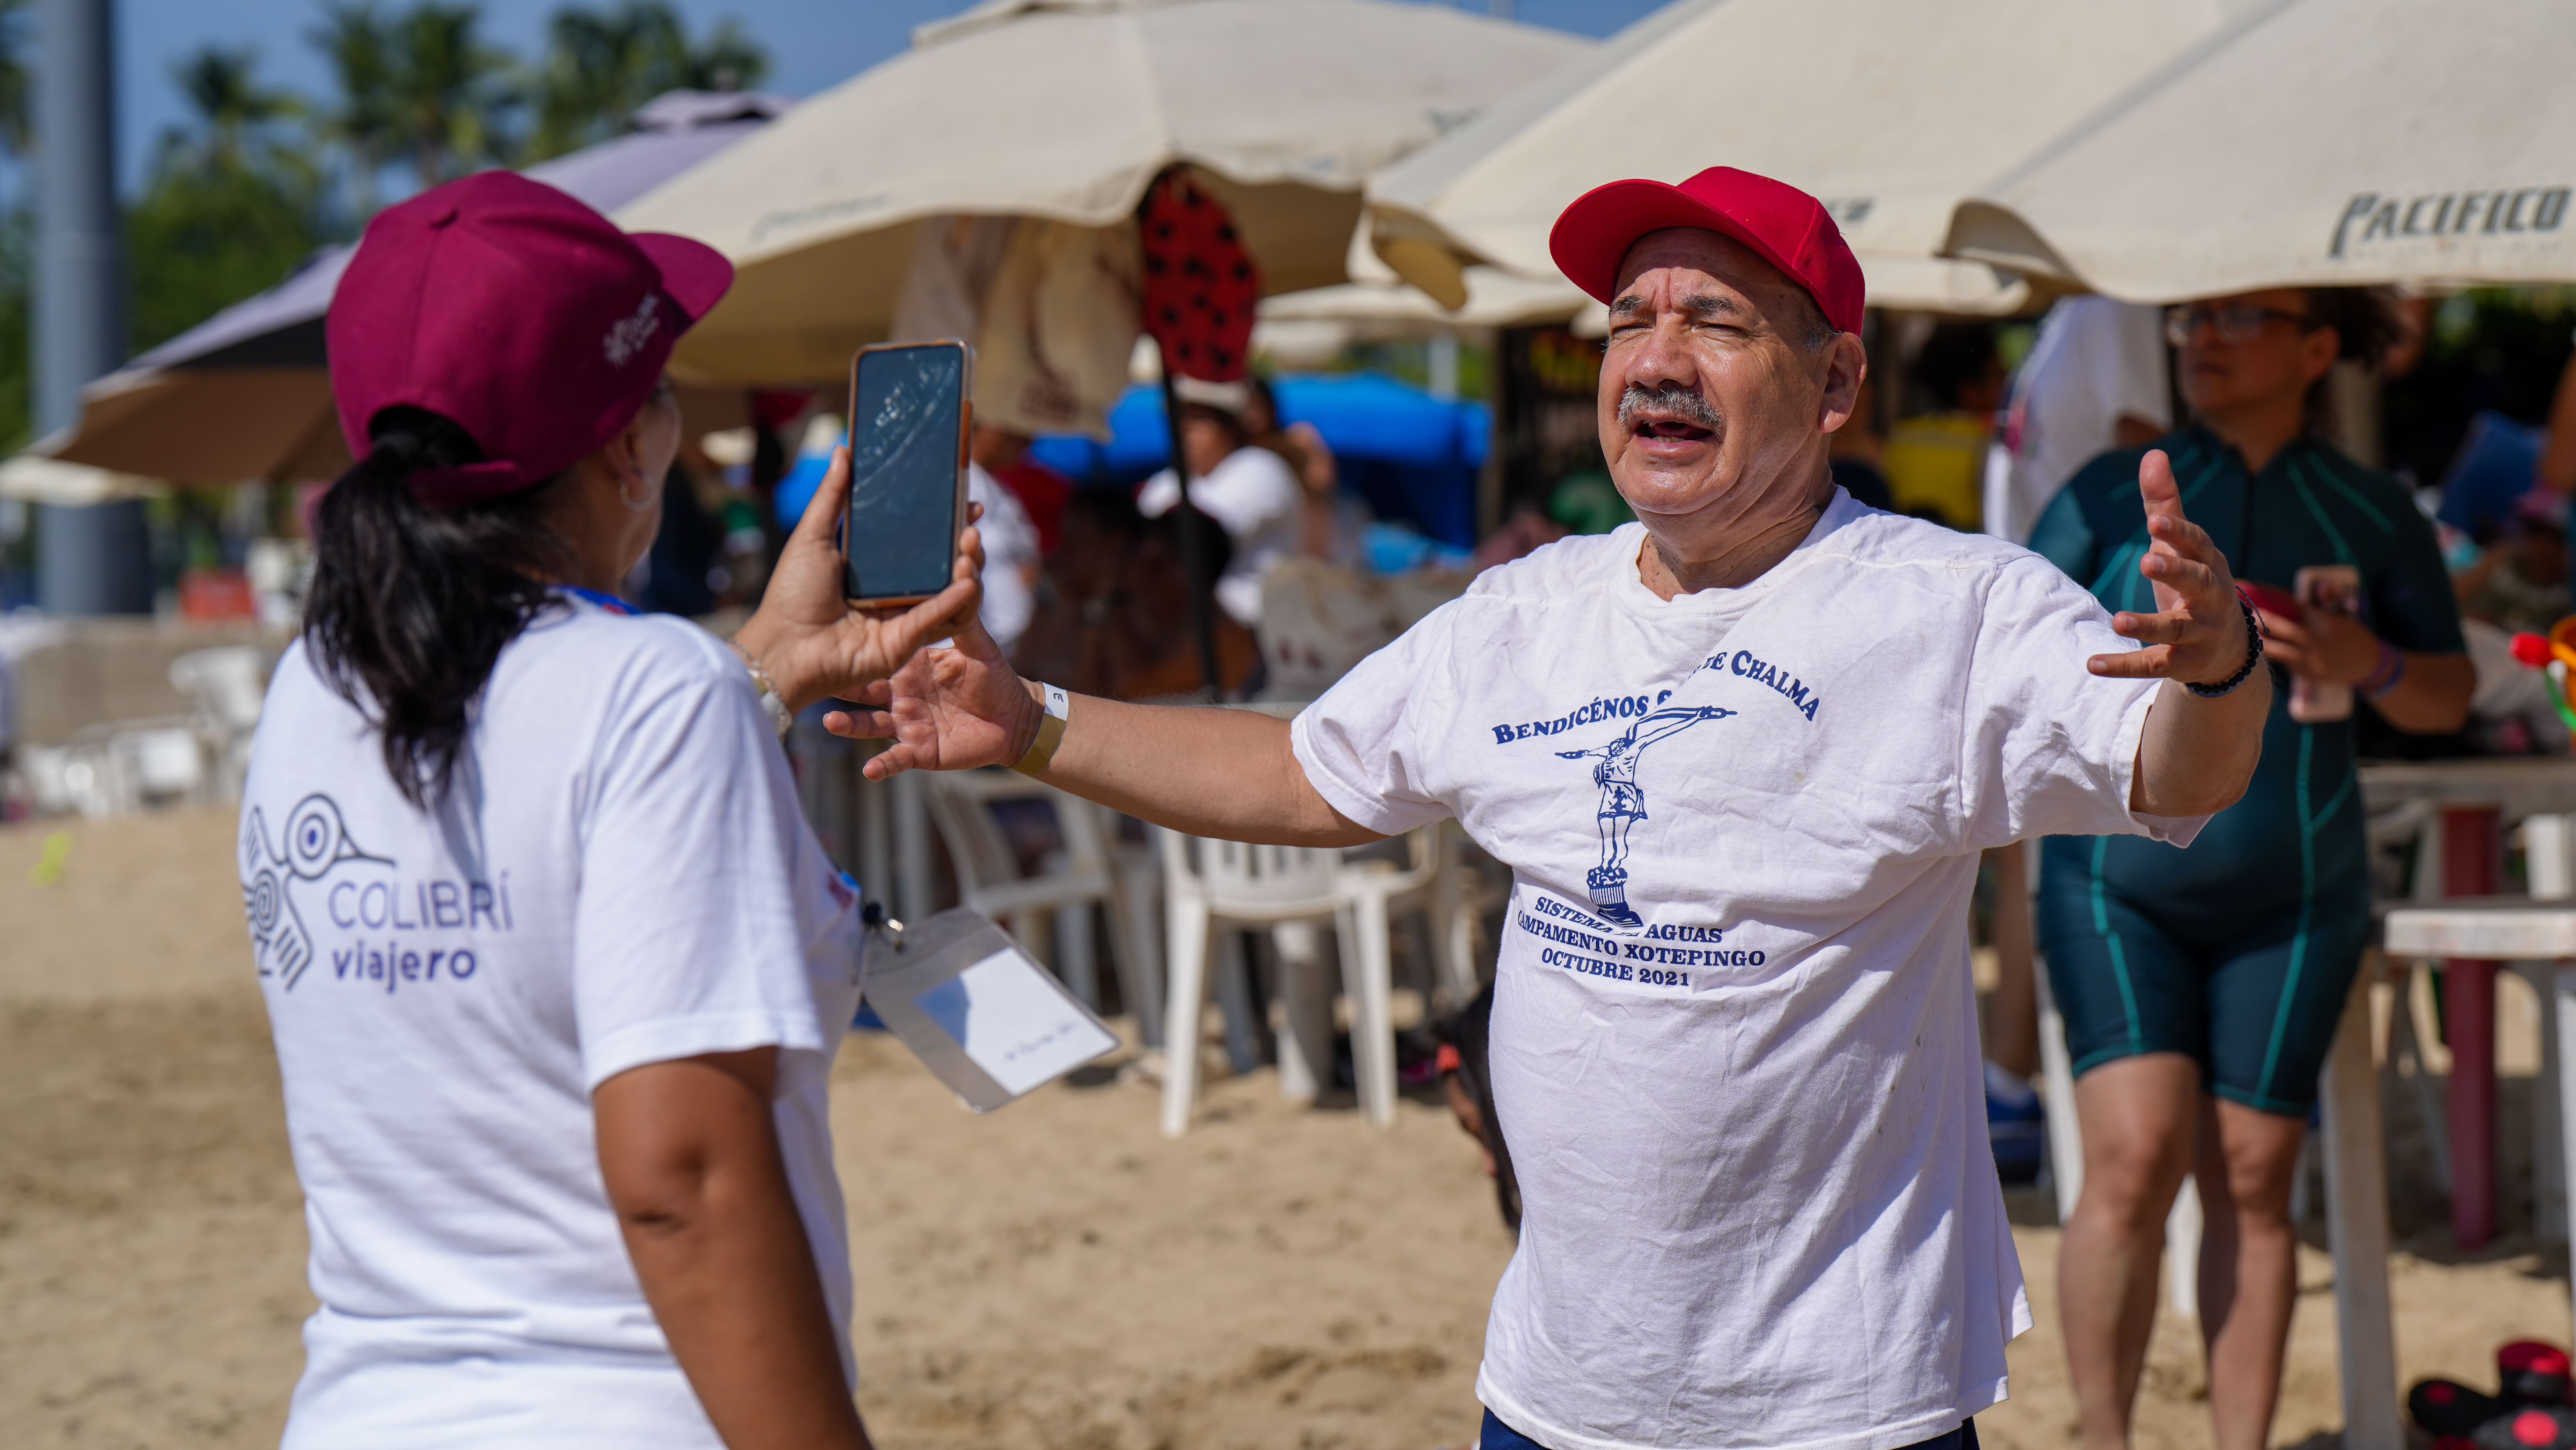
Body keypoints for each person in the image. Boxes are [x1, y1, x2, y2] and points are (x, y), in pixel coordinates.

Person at [837, 166, 2269, 1450]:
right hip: (1560, 1391)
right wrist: (1031, 723)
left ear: (1835, 381)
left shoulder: (1951, 604)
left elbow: (2178, 771)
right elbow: (1300, 773)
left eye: (1714, 319)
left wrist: (2223, 671)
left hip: (1843, 1400)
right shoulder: (1525, 612)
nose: (1654, 355)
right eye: (1627, 319)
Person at [238, 172, 981, 1450]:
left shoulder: (316, 683)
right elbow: (682, 1183)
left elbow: (540, 795)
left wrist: (769, 667)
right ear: (632, 445)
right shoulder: (651, 692)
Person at [2026, 286, 2473, 1450]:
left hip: (2296, 892)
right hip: (2112, 882)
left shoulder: (2370, 509)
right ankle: (2103, 1435)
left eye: (2239, 319)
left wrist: (2364, 659)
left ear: (2317, 348)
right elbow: (2009, 663)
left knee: (2253, 1176)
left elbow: (2447, 697)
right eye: (2191, 321)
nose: (2201, 339)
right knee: (2128, 1158)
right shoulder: (2103, 494)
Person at [1135, 375, 1302, 627]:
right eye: (1178, 418)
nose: (1185, 429)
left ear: (1231, 426)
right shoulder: (1165, 484)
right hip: (1191, 635)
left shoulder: (1261, 468)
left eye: (1200, 418)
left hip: (1263, 637)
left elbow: (1201, 538)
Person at [1881, 322, 2005, 529]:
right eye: (1997, 375)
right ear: (1969, 390)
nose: (2005, 382)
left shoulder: (1899, 436)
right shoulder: (1989, 443)